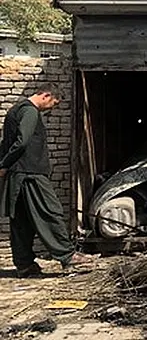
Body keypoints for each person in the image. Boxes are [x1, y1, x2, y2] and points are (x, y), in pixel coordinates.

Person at [0, 83, 92, 277]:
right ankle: (68, 256)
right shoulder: (30, 112)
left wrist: (4, 165)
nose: (52, 108)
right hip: (30, 174)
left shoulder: (15, 111)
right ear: (46, 95)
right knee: (50, 211)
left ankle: (24, 264)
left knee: (22, 220)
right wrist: (5, 164)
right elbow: (22, 141)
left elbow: (6, 142)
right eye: (53, 103)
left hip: (18, 175)